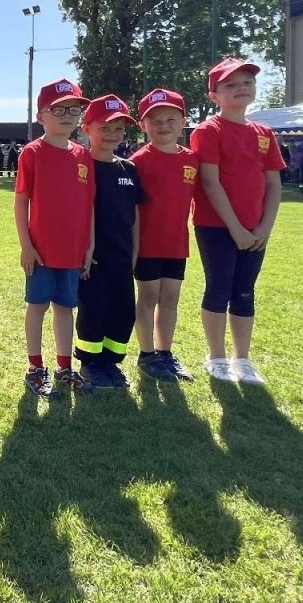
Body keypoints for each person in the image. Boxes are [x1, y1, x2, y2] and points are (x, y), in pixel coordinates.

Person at [192, 57, 285, 384]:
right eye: (230, 85)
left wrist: (264, 227)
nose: (240, 89)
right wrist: (235, 228)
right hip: (217, 226)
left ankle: (242, 359)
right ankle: (216, 357)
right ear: (214, 95)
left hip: (255, 230)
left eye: (246, 82)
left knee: (245, 291)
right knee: (219, 288)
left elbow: (274, 184)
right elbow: (209, 182)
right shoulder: (209, 130)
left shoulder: (264, 133)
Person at [15, 79, 94, 396]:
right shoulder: (32, 152)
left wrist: (88, 246)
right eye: (57, 109)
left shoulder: (83, 156)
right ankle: (35, 368)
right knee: (37, 306)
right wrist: (26, 246)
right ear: (41, 116)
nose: (66, 115)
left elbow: (88, 205)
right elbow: (21, 201)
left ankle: (64, 367)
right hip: (42, 252)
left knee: (66, 308)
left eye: (73, 109)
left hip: (73, 253)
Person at [73, 95, 143, 390]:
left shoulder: (128, 169)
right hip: (93, 260)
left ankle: (111, 363)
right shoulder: (80, 166)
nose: (113, 134)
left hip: (122, 257)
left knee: (123, 310)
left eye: (119, 128)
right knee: (94, 310)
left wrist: (135, 254)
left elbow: (135, 216)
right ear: (87, 128)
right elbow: (76, 214)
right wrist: (80, 253)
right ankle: (91, 364)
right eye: (105, 127)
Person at [128, 88, 197, 383]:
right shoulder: (138, 162)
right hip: (146, 245)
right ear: (143, 125)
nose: (164, 125)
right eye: (155, 120)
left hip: (176, 244)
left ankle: (165, 352)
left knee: (170, 299)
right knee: (148, 298)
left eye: (171, 118)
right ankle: (146, 355)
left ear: (183, 122)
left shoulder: (193, 160)